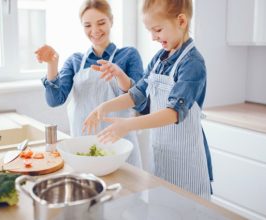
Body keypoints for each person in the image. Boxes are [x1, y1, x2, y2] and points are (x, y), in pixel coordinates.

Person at [83, 0, 213, 199]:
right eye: (150, 31)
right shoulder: (159, 59)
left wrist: (127, 125)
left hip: (187, 164)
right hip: (162, 157)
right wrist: (103, 107)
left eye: (158, 29)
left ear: (181, 21)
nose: (153, 37)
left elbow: (173, 113)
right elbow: (137, 94)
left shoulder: (192, 63)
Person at [35, 0, 143, 167]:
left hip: (121, 148)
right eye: (87, 25)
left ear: (111, 21)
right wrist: (52, 65)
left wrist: (119, 74)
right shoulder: (75, 61)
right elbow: (54, 100)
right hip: (83, 148)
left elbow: (139, 100)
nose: (95, 31)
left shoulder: (129, 55)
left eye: (101, 23)